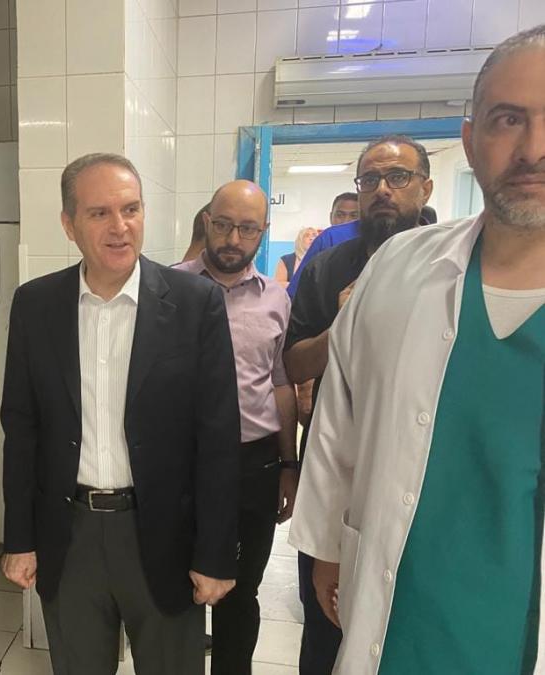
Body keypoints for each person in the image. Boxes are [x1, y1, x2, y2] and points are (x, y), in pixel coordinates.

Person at [290, 25, 545, 673]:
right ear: (471, 140)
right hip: (396, 614)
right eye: (509, 119)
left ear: (427, 185)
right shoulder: (397, 266)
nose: (533, 148)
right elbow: (337, 417)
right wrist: (325, 544)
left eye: (399, 176)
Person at [1, 153, 241, 675]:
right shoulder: (36, 305)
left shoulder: (194, 303)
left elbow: (219, 438)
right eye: (99, 213)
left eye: (130, 209)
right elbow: (21, 430)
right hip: (71, 533)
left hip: (164, 533)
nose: (120, 226)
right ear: (69, 224)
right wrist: (19, 539)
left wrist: (216, 554)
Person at [284, 134, 433, 675]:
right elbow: (293, 364)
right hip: (338, 463)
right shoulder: (327, 267)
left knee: (409, 621)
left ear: (425, 188)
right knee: (327, 619)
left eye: (398, 177)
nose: (382, 190)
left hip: (423, 466)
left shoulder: (452, 266)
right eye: (370, 179)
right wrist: (342, 327)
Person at [176, 180, 298, 674]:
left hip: (254, 463)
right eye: (223, 224)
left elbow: (281, 384)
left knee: (241, 590)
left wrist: (288, 464)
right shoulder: (168, 288)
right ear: (207, 221)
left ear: (263, 232)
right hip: (182, 463)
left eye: (247, 229)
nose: (232, 239)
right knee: (176, 587)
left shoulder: (277, 299)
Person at [286, 192, 360, 299]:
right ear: (331, 217)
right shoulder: (326, 239)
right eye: (340, 215)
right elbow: (298, 288)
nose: (346, 221)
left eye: (354, 216)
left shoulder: (369, 239)